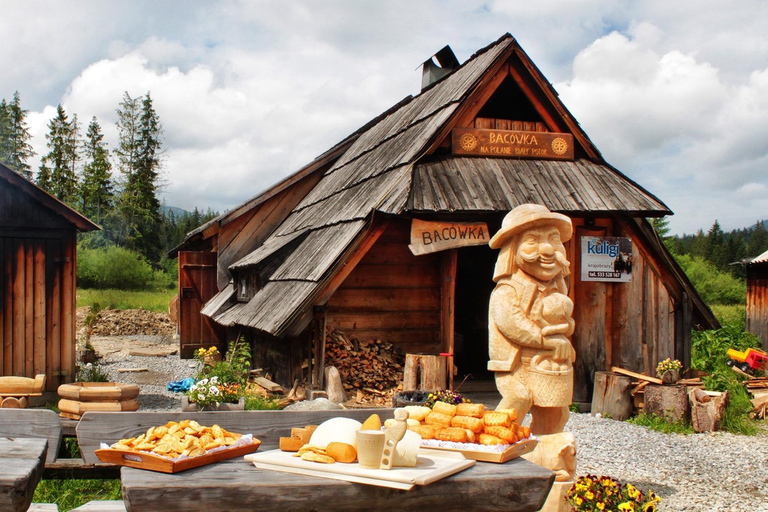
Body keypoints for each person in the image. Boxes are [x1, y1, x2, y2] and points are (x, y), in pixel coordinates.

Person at [487, 204, 575, 435]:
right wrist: (547, 340)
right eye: (533, 241)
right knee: (518, 399)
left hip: (549, 364)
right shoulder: (507, 289)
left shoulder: (557, 288)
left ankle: (546, 453)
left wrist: (565, 330)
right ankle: (495, 445)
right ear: (512, 250)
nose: (547, 250)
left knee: (556, 411)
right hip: (514, 365)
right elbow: (513, 324)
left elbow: (565, 321)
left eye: (554, 240)